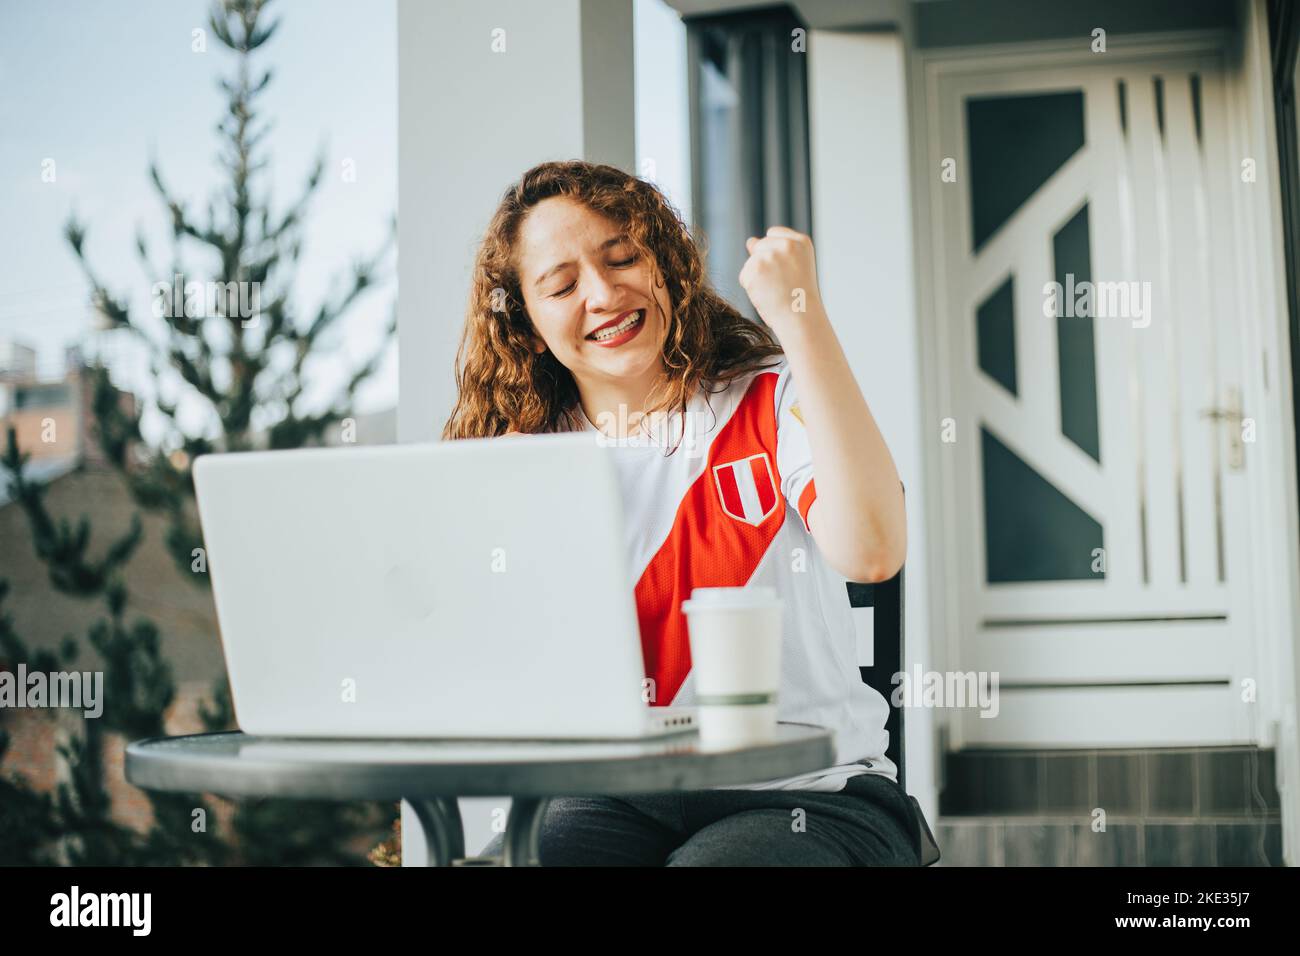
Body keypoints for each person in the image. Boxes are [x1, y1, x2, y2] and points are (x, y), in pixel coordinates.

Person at [442, 159, 918, 866]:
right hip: (614, 793)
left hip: (810, 795)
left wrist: (800, 316)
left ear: (663, 264)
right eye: (562, 285)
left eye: (622, 257)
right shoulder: (527, 459)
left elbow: (873, 550)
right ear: (531, 325)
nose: (602, 295)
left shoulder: (772, 400)